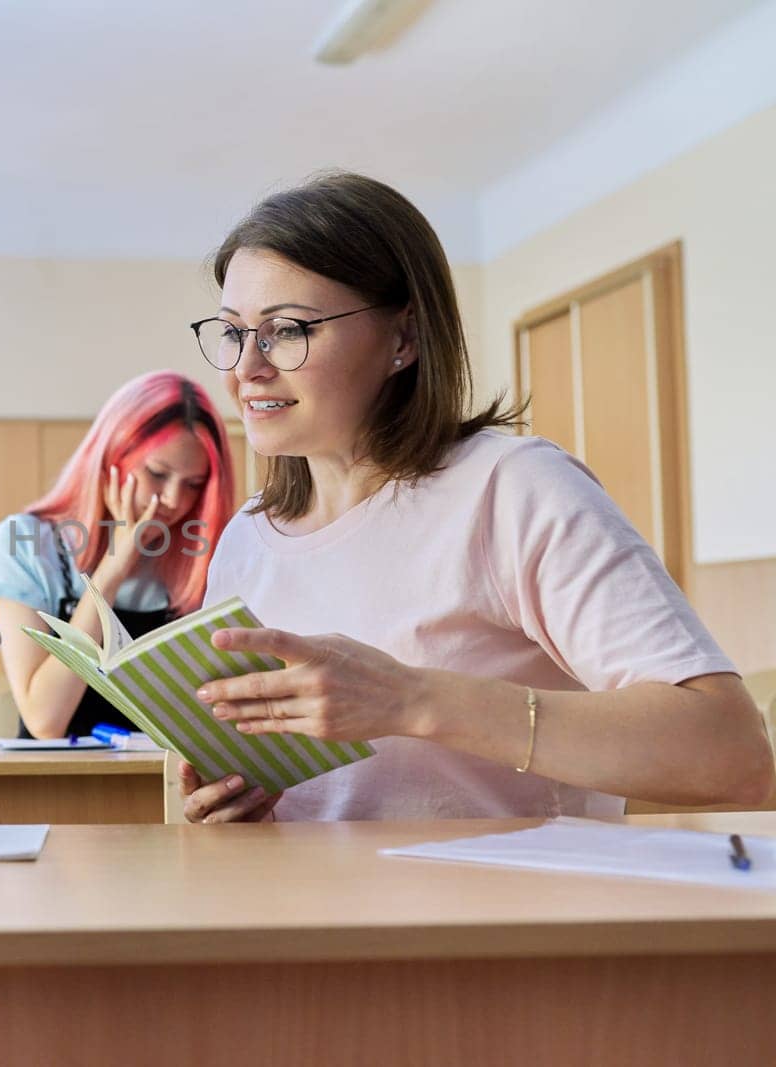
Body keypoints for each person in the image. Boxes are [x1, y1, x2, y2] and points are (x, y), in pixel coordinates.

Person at [178, 171, 773, 824]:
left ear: (403, 339)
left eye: (287, 330)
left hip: (503, 918)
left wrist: (413, 699)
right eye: (233, 332)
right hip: (307, 915)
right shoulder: (245, 539)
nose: (246, 368)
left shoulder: (510, 488)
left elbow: (732, 751)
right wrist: (239, 808)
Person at [0, 371, 235, 739]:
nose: (174, 500)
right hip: (61, 785)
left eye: (194, 484)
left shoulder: (207, 551)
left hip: (167, 784)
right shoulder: (25, 544)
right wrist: (110, 574)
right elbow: (45, 720)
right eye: (157, 474)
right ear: (110, 459)